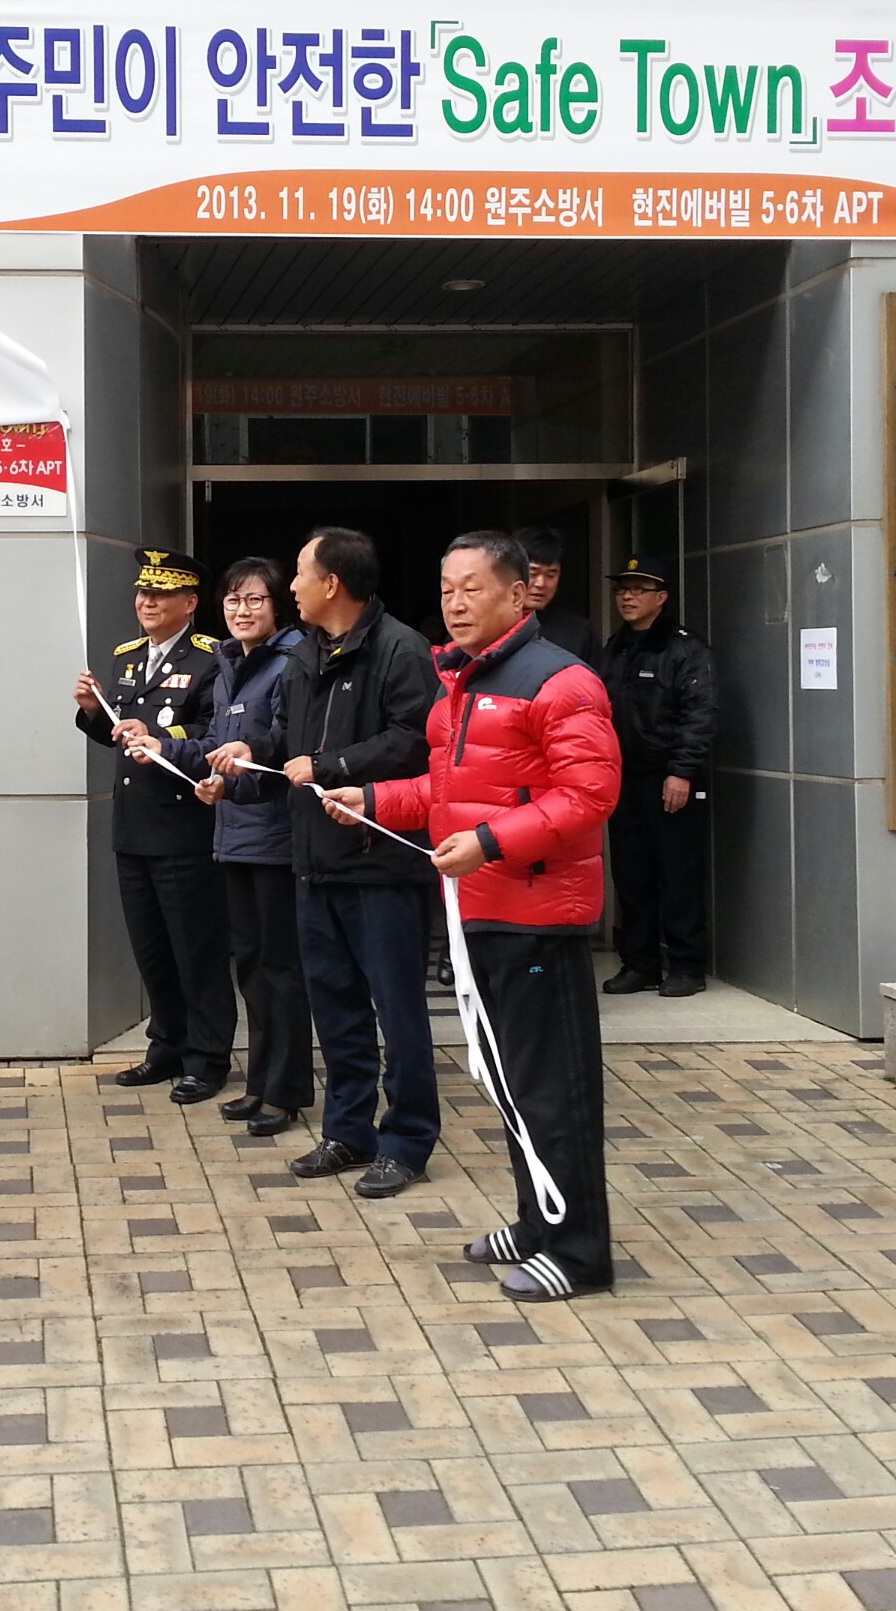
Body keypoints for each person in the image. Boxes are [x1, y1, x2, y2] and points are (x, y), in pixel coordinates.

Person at [323, 531, 620, 1299]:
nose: (455, 603)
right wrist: (373, 800)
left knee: (554, 1087)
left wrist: (489, 843)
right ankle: (537, 1222)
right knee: (513, 1084)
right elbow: (448, 792)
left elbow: (588, 797)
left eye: (473, 588)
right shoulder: (459, 678)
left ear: (519, 594)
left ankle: (579, 1253)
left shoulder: (561, 681)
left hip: (538, 915)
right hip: (479, 911)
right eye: (447, 588)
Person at [222, 527, 441, 1199]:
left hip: (381, 864)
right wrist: (247, 759)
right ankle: (349, 1131)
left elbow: (416, 741)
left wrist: (333, 765)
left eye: (299, 572)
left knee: (397, 1012)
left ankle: (407, 1142)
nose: (291, 586)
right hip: (315, 861)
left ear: (332, 583)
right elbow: (285, 740)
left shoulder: (401, 649)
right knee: (337, 1009)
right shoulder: (306, 654)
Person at [73, 548, 235, 1104]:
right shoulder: (127, 657)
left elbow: (212, 733)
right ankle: (167, 1045)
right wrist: (93, 712)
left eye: (161, 594)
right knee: (152, 949)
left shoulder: (211, 658)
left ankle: (207, 1057)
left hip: (183, 827)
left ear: (189, 603)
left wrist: (161, 739)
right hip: (133, 826)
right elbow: (119, 733)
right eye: (143, 593)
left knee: (196, 950)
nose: (147, 602)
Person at [167, 558, 312, 1135]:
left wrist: (237, 775)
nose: (242, 610)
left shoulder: (292, 661)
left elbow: (283, 743)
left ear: (277, 605)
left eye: (255, 600)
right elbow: (213, 743)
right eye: (233, 600)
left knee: (281, 968)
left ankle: (286, 1090)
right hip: (234, 836)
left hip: (277, 837)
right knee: (250, 967)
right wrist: (161, 747)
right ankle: (260, 1083)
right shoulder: (229, 662)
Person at [596, 556, 716, 998]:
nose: (627, 597)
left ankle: (686, 966)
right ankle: (640, 963)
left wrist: (681, 771)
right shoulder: (615, 647)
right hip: (624, 778)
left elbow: (699, 715)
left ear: (661, 598)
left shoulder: (685, 650)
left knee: (678, 874)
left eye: (639, 589)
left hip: (670, 778)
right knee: (632, 876)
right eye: (622, 589)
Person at [514, 526, 597, 663]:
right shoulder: (491, 624)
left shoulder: (577, 631)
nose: (541, 583)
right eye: (533, 573)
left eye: (551, 575)